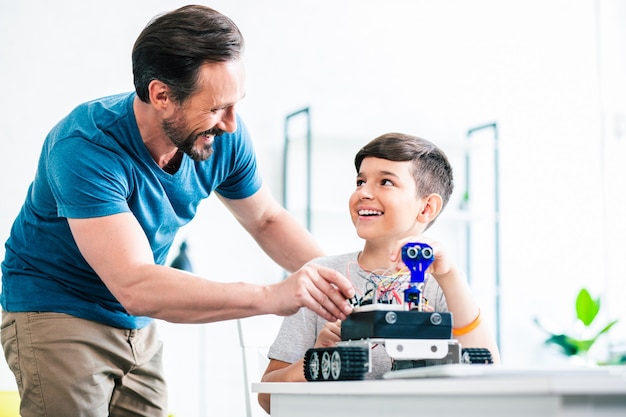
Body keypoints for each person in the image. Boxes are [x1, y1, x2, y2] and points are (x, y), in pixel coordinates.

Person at [0, 5, 355, 417]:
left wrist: (347, 284)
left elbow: (265, 219)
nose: (231, 124)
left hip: (137, 322)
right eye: (217, 107)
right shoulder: (84, 146)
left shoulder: (222, 137)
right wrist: (273, 296)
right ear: (162, 95)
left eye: (236, 104)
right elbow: (134, 284)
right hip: (58, 308)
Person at [258, 132, 501, 413]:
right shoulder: (321, 278)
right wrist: (317, 362)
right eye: (360, 181)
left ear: (427, 207)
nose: (363, 192)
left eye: (386, 182)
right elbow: (267, 398)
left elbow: (487, 374)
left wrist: (449, 275)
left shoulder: (440, 284)